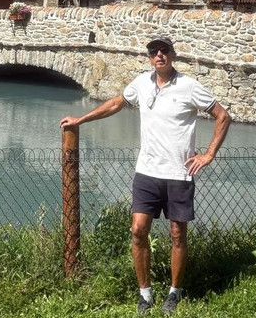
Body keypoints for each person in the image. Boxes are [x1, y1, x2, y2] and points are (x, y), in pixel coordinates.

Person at [60, 36, 231, 314]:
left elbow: (223, 116)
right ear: (150, 58)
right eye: (154, 51)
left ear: (173, 55)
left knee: (177, 234)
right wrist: (81, 119)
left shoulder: (189, 86)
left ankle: (174, 293)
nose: (159, 55)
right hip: (147, 172)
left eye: (164, 50)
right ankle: (145, 294)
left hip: (179, 173)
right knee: (138, 230)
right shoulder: (141, 83)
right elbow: (116, 104)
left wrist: (209, 154)